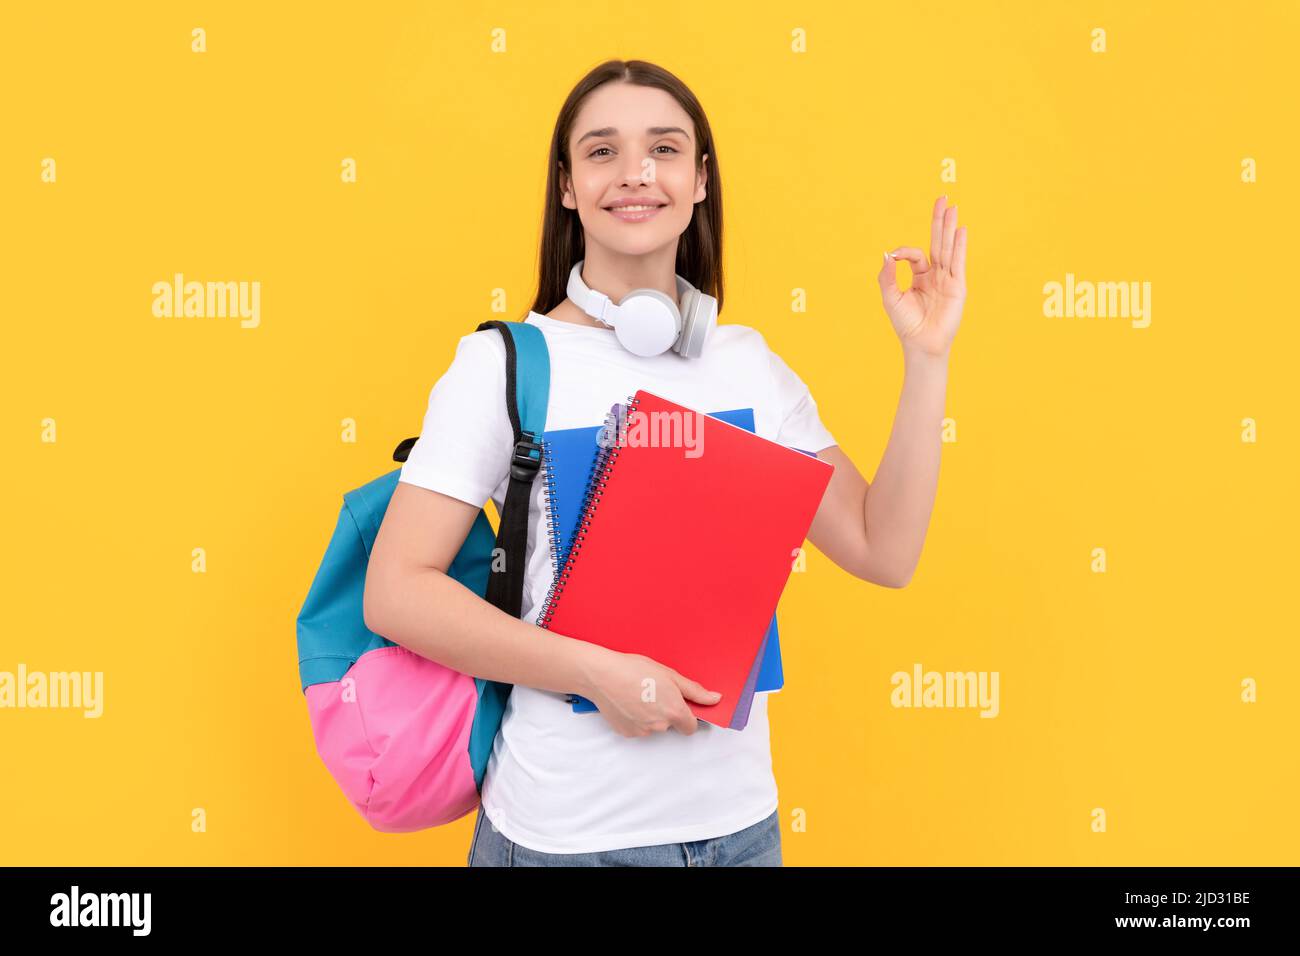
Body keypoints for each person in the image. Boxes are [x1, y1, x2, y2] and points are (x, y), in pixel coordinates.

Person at [363, 59, 968, 866]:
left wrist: (927, 360)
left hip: (742, 833)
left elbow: (883, 551)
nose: (637, 174)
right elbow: (395, 593)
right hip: (568, 840)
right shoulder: (506, 364)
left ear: (700, 179)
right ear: (569, 186)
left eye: (665, 149)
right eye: (603, 151)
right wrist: (595, 673)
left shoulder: (747, 363)